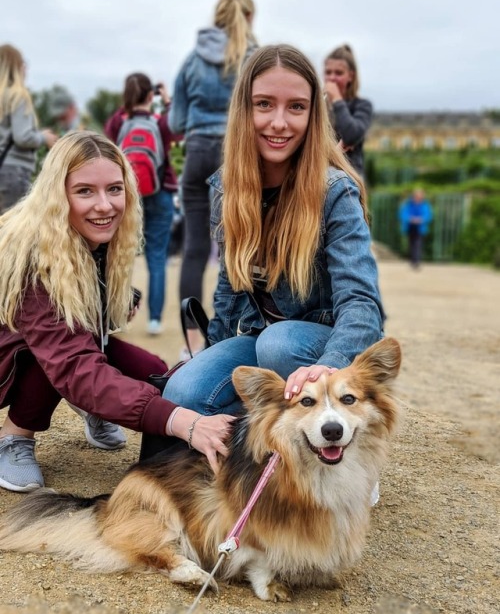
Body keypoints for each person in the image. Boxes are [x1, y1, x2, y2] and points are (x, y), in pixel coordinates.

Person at [140, 45, 384, 471]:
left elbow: (363, 305)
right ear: (243, 110)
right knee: (183, 392)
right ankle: (269, 442)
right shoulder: (226, 189)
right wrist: (210, 352)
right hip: (260, 338)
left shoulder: (335, 192)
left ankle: (349, 455)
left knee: (278, 344)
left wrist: (331, 364)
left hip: (322, 344)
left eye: (296, 107)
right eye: (264, 105)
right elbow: (230, 286)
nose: (278, 122)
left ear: (313, 115)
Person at [0, 130, 233, 493]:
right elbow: (74, 364)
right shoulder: (33, 255)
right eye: (84, 191)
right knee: (63, 364)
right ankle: (16, 436)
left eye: (114, 188)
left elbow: (90, 324)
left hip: (63, 343)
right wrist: (181, 422)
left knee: (158, 376)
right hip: (16, 357)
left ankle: (95, 404)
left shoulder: (99, 236)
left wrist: (119, 300)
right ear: (56, 196)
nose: (105, 205)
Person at [169, 0, 258, 357]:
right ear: (249, 18)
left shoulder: (192, 59)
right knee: (237, 246)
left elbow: (175, 120)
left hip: (196, 153)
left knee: (194, 250)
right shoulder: (252, 58)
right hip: (234, 155)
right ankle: (230, 342)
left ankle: (191, 347)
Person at [105, 73, 178, 335]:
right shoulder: (159, 123)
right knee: (157, 258)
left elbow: (107, 141)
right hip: (161, 193)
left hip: (127, 193)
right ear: (151, 96)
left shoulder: (119, 122)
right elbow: (177, 126)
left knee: (120, 255)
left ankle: (116, 314)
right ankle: (155, 320)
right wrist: (167, 99)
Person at [0, 44, 57, 213]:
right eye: (22, 63)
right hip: (14, 172)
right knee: (13, 229)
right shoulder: (18, 95)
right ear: (16, 67)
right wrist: (43, 138)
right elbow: (22, 137)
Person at [323, 44, 372, 178]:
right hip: (320, 177)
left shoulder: (362, 106)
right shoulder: (318, 106)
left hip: (350, 181)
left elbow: (351, 135)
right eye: (328, 72)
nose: (332, 78)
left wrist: (337, 99)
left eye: (338, 73)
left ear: (350, 76)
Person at [399, 187, 433, 269]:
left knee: (418, 244)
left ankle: (416, 261)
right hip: (410, 227)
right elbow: (403, 214)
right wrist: (410, 219)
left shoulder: (425, 205)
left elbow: (428, 215)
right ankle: (413, 260)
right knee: (411, 244)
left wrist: (421, 220)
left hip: (420, 228)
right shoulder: (408, 204)